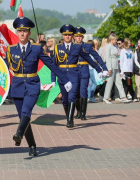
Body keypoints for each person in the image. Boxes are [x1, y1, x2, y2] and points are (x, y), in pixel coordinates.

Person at [6, 17, 72, 156]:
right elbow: (3, 68)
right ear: (17, 33)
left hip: (32, 85)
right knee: (23, 117)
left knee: (26, 112)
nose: (22, 34)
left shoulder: (36, 49)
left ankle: (18, 133)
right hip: (17, 86)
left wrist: (64, 79)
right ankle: (32, 145)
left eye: (25, 31)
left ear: (29, 33)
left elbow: (51, 64)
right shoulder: (11, 50)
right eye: (20, 31)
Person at [51, 25, 103, 127]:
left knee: (72, 96)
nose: (67, 37)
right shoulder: (57, 48)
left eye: (69, 35)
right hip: (62, 76)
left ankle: (70, 120)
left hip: (74, 75)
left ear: (72, 36)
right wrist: (53, 79)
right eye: (65, 35)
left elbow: (89, 59)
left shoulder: (77, 47)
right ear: (63, 35)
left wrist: (99, 69)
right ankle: (68, 116)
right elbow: (54, 65)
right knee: (65, 100)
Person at [73, 27, 108, 120]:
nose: (78, 38)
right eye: (77, 36)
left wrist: (104, 68)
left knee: (83, 92)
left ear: (82, 37)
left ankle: (83, 113)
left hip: (84, 70)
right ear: (74, 37)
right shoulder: (71, 46)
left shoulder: (87, 46)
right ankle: (78, 111)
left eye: (80, 36)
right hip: (74, 71)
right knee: (76, 93)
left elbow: (97, 57)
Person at [103, 34, 129, 104]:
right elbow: (107, 58)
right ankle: (106, 97)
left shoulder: (114, 46)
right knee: (110, 82)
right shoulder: (108, 47)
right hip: (111, 66)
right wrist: (109, 68)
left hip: (116, 66)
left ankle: (123, 96)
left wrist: (119, 67)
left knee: (119, 82)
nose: (116, 40)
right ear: (111, 40)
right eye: (115, 39)